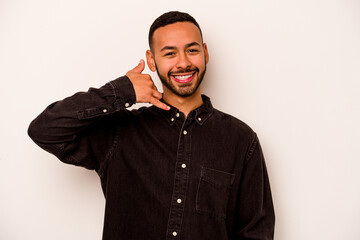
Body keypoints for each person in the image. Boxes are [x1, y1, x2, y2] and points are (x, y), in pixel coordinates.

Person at [28, 11, 275, 240]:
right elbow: (44, 130)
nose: (183, 63)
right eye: (169, 53)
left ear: (205, 53)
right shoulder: (120, 132)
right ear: (152, 60)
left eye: (192, 50)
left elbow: (255, 232)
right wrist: (121, 91)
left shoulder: (241, 140)